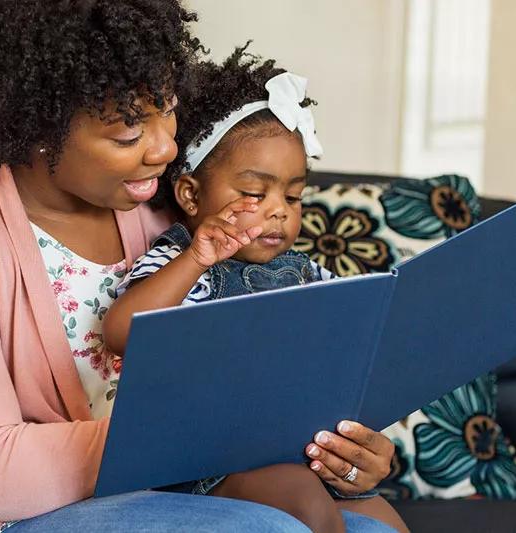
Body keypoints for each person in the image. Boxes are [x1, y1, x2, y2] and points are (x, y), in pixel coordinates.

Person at [0, 2, 400, 532]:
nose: (165, 148)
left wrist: (338, 449)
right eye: (127, 133)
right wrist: (208, 436)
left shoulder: (170, 204)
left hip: (170, 484)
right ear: (40, 128)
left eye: (168, 107)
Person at [103, 47, 408, 533]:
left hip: (302, 447)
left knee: (383, 519)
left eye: (292, 196)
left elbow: (359, 331)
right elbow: (122, 331)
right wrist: (196, 259)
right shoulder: (182, 260)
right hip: (211, 465)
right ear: (191, 195)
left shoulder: (305, 271)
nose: (279, 211)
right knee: (302, 500)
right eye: (254, 193)